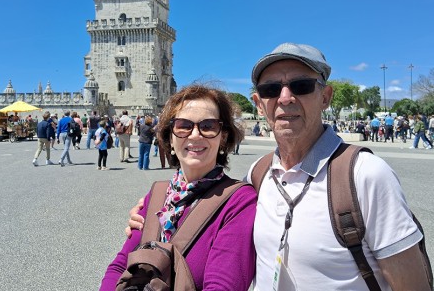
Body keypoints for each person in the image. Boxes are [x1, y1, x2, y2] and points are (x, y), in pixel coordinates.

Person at [128, 43, 431, 291]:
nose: (285, 98)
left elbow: (412, 283)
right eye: (272, 89)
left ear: (325, 97)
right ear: (259, 103)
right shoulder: (258, 176)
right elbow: (213, 215)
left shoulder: (365, 174)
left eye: (300, 85)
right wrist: (151, 215)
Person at [99, 85, 256, 290]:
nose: (195, 135)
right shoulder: (156, 195)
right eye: (183, 126)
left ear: (223, 138)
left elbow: (222, 285)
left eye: (208, 126)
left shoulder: (239, 201)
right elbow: (120, 265)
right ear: (171, 138)